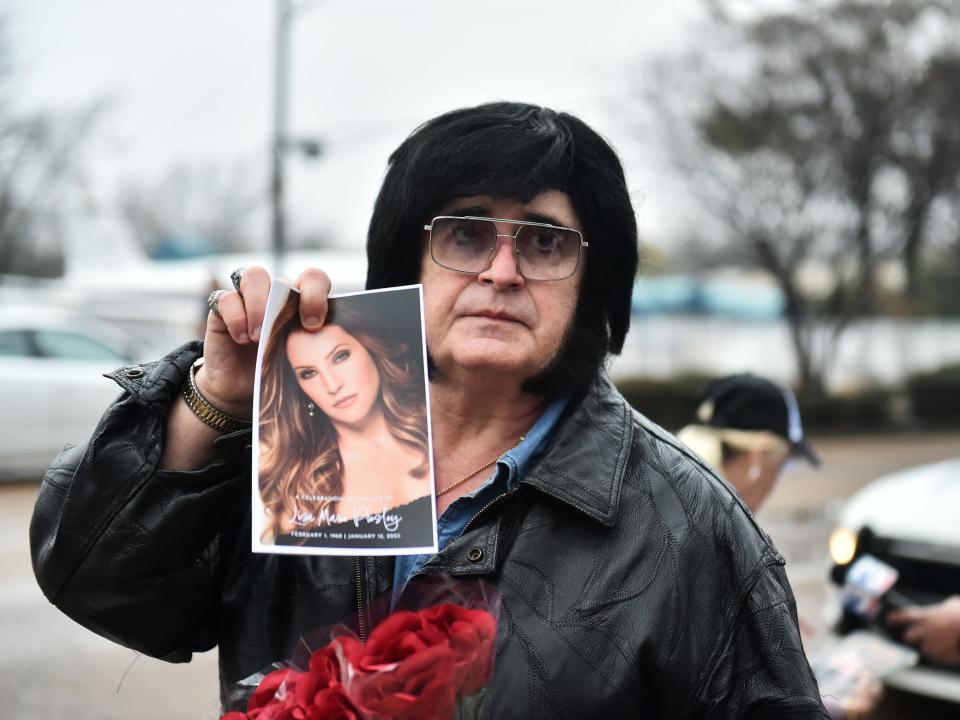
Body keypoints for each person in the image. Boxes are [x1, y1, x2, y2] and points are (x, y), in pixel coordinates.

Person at [31, 102, 830, 718]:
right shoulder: (300, 435)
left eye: (546, 243)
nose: (504, 270)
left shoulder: (694, 527)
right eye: (466, 233)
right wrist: (216, 399)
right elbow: (97, 581)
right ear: (405, 260)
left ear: (595, 284)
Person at [677, 374, 881, 720]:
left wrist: (762, 619)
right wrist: (835, 709)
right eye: (784, 463)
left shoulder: (673, 507)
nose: (778, 479)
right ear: (758, 457)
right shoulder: (720, 543)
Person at [258, 291, 433, 548]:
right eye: (308, 374)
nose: (332, 385)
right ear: (300, 390)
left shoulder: (443, 426)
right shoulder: (301, 486)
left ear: (372, 349)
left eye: (340, 357)